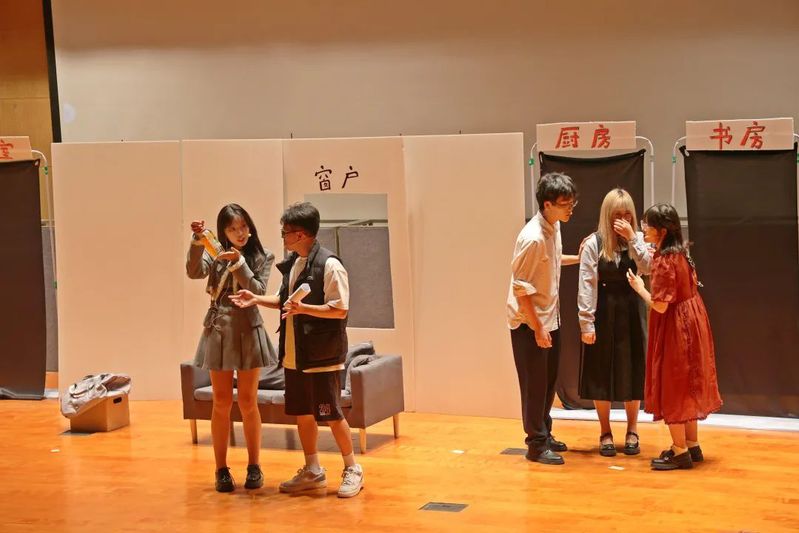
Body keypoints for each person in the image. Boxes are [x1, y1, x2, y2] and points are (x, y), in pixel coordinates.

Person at [230, 202, 363, 497]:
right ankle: (313, 470)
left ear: (300, 234)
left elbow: (340, 309)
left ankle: (353, 468)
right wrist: (255, 299)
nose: (283, 237)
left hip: (322, 355)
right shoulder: (295, 264)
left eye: (285, 232)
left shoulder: (330, 265)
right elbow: (284, 301)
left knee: (331, 414)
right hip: (294, 354)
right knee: (303, 413)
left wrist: (304, 309)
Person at [187, 203, 277, 492]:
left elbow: (259, 290)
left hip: (248, 327)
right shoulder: (215, 255)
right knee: (221, 402)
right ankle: (221, 469)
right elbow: (193, 271)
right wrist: (198, 241)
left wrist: (239, 263)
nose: (240, 233)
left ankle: (254, 465)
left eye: (243, 226)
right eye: (232, 229)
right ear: (223, 232)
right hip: (219, 328)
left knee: (249, 402)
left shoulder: (262, 256)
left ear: (250, 227)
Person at [626, 203, 723, 471]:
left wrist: (639, 288)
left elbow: (659, 305)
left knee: (675, 384)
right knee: (688, 382)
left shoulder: (664, 261)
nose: (644, 229)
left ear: (662, 231)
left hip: (676, 326)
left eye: (648, 226)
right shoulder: (681, 253)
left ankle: (679, 451)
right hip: (693, 320)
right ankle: (691, 444)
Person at [507, 172, 581, 465]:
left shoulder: (554, 226)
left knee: (549, 382)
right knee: (534, 385)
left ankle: (545, 433)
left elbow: (553, 261)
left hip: (550, 317)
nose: (570, 209)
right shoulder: (533, 238)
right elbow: (521, 288)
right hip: (529, 323)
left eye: (572, 203)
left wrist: (580, 257)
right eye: (565, 204)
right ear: (547, 204)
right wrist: (537, 328)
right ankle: (535, 445)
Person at [578, 188, 650, 457]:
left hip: (632, 309)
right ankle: (605, 431)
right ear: (606, 215)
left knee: (633, 369)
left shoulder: (639, 239)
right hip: (604, 310)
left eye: (627, 214)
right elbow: (586, 283)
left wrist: (632, 239)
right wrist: (586, 323)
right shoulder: (594, 243)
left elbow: (649, 268)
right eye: (616, 214)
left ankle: (633, 429)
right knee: (601, 371)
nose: (622, 219)